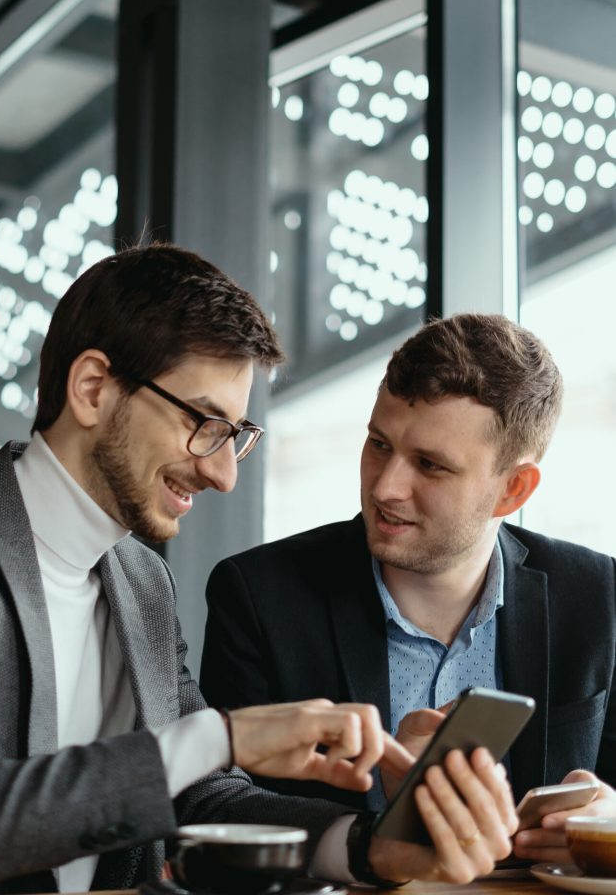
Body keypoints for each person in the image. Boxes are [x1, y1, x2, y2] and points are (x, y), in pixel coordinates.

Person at [0, 249, 517, 895]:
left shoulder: (141, 581)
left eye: (235, 436)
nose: (223, 472)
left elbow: (201, 796)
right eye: (203, 423)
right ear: (92, 389)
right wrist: (225, 736)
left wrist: (370, 847)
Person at [201, 312, 616, 865]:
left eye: (429, 465)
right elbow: (216, 810)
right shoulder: (258, 596)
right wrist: (378, 840)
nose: (386, 486)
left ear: (513, 490)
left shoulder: (599, 597)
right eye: (379, 444)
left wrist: (607, 820)